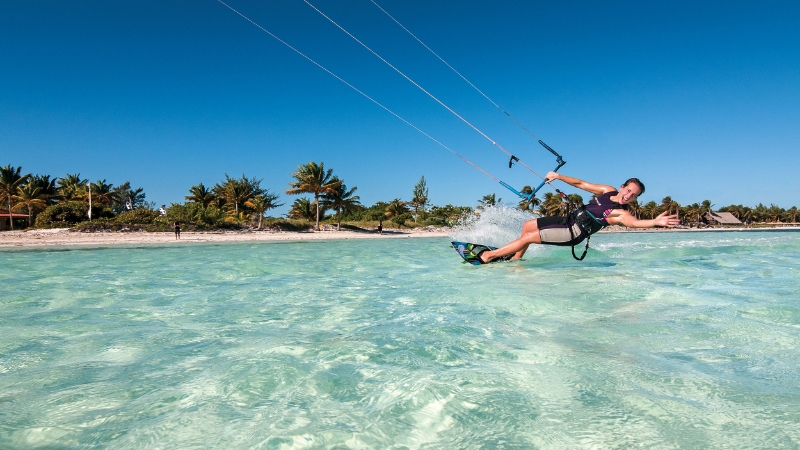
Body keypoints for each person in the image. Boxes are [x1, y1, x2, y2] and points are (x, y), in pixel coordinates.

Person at [478, 172, 680, 263]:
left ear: (634, 198)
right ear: (622, 187)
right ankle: (516, 261)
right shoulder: (607, 190)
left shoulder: (620, 212)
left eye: (633, 195)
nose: (628, 195)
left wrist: (654, 222)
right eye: (628, 190)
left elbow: (634, 223)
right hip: (569, 220)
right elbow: (581, 184)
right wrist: (558, 177)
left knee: (529, 237)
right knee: (527, 225)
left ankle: (489, 256)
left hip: (574, 232)